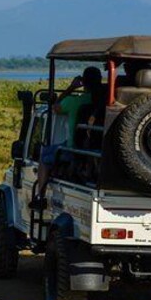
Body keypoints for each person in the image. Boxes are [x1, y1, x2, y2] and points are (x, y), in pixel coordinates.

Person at [31, 66, 102, 209]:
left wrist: (71, 87)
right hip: (98, 147)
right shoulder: (106, 103)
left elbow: (55, 107)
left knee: (45, 154)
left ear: (84, 82)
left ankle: (40, 196)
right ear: (100, 81)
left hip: (74, 147)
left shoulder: (75, 101)